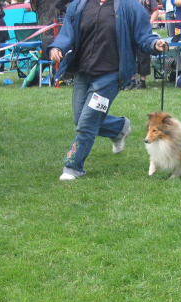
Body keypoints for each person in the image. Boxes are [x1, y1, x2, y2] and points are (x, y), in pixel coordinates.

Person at [47, 0, 168, 181]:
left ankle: (73, 167)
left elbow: (144, 37)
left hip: (110, 76)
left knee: (87, 122)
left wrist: (154, 44)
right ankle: (119, 128)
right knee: (79, 118)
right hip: (83, 72)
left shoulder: (131, 6)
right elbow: (67, 33)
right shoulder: (79, 5)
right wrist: (57, 47)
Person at [124, 0, 160, 90]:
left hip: (143, 29)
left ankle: (142, 81)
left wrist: (149, 23)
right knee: (129, 53)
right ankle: (131, 81)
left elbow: (155, 11)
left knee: (143, 54)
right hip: (130, 26)